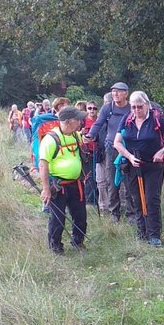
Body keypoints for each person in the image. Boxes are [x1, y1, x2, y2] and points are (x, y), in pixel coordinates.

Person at [112, 91, 164, 247]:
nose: (136, 110)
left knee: (151, 199)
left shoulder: (157, 118)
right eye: (133, 107)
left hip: (153, 166)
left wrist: (162, 151)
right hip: (133, 165)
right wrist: (129, 156)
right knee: (136, 199)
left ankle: (154, 235)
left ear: (147, 105)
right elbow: (117, 142)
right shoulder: (128, 119)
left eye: (139, 107)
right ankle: (141, 232)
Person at [39, 106, 89, 254]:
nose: (81, 121)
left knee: (80, 215)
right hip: (58, 185)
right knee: (58, 218)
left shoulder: (75, 135)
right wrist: (46, 189)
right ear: (68, 122)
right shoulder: (50, 140)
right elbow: (43, 165)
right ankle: (55, 247)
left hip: (76, 183)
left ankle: (78, 242)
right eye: (78, 119)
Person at [88, 83, 134, 222]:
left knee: (129, 180)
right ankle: (114, 213)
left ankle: (131, 213)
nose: (115, 94)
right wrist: (90, 135)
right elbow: (99, 123)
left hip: (129, 148)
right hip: (111, 147)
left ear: (126, 93)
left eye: (118, 92)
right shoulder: (108, 107)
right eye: (113, 92)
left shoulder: (131, 107)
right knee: (112, 181)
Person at [31, 97, 70, 169]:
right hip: (47, 151)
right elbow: (36, 138)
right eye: (67, 106)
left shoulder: (68, 121)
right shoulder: (42, 119)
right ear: (60, 107)